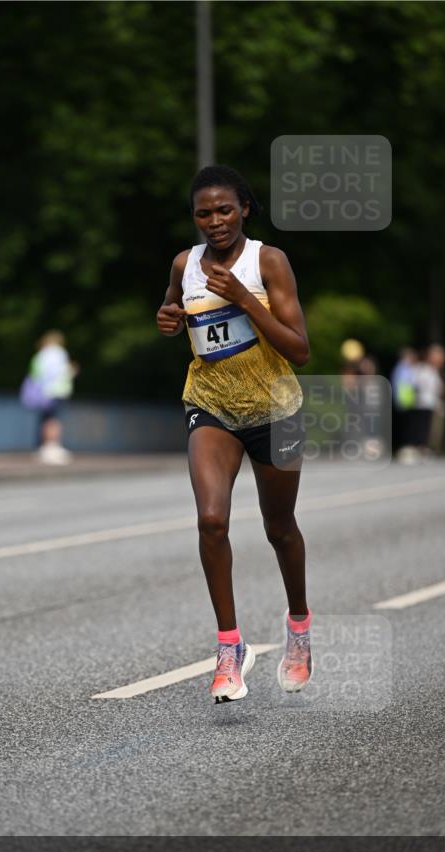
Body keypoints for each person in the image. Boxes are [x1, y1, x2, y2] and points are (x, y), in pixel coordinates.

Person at [156, 165, 311, 704]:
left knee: (279, 526)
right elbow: (178, 309)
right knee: (211, 519)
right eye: (204, 213)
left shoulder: (267, 261)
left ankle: (298, 626)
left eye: (225, 210)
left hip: (276, 409)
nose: (215, 221)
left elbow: (299, 348)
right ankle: (229, 649)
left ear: (245, 208)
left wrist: (245, 299)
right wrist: (170, 318)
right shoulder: (186, 263)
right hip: (211, 403)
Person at [23, 330, 79, 465]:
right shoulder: (58, 353)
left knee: (45, 419)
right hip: (55, 391)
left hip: (43, 392)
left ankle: (44, 447)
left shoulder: (40, 355)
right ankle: (52, 448)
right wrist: (71, 371)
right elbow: (58, 373)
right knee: (53, 420)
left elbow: (36, 374)